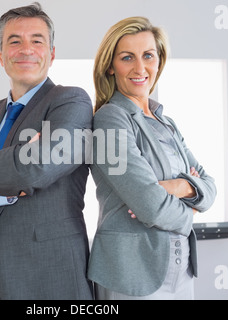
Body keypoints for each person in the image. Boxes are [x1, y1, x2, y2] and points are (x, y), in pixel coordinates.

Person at [0, 2, 93, 300]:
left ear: (52, 53)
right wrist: (3, 192)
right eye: (15, 41)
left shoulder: (70, 101)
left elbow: (36, 168)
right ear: (0, 53)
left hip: (49, 277)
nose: (26, 49)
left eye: (37, 40)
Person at [87, 16, 217, 300]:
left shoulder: (165, 121)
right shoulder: (110, 119)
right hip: (131, 272)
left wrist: (180, 187)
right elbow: (150, 206)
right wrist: (191, 208)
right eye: (127, 58)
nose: (140, 67)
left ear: (159, 61)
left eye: (148, 55)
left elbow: (210, 186)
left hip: (181, 270)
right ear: (110, 65)